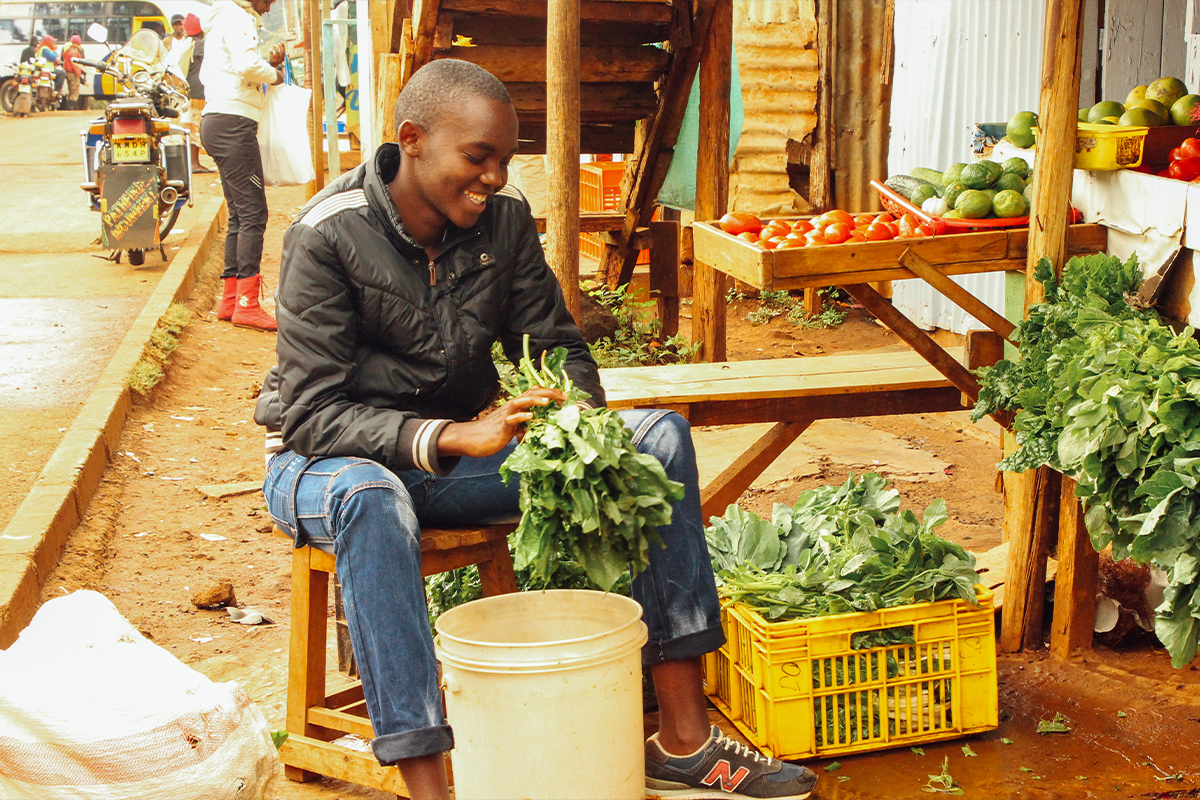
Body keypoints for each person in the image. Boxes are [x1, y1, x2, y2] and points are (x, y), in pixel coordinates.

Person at [253, 58, 819, 800]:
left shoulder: (504, 221)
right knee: (372, 497)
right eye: (478, 158)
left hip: (454, 461)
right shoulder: (329, 235)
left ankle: (683, 742)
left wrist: (567, 410)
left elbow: (558, 343)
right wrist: (452, 436)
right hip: (323, 465)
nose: (492, 179)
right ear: (413, 139)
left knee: (656, 440)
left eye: (504, 161)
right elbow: (310, 411)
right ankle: (432, 789)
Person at [199, 0, 284, 331]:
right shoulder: (237, 17)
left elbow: (242, 64)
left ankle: (232, 299)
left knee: (239, 212)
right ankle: (248, 303)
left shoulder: (227, 16)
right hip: (233, 124)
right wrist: (274, 75)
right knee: (253, 213)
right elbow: (246, 65)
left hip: (218, 122)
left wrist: (267, 64)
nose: (269, 7)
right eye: (269, 1)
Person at [181, 13, 208, 172]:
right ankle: (195, 164)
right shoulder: (202, 46)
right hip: (200, 93)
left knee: (190, 128)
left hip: (187, 93)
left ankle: (192, 163)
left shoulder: (186, 45)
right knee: (197, 128)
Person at [62, 34, 84, 110]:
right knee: (75, 91)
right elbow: (75, 65)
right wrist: (79, 75)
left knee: (70, 90)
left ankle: (68, 107)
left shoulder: (69, 50)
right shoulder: (74, 52)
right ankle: (71, 108)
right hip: (73, 73)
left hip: (68, 73)